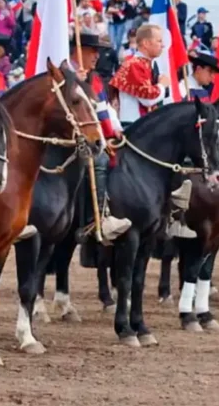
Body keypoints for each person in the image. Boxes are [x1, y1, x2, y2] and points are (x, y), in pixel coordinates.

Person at [110, 23, 194, 236]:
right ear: (145, 43)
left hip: (147, 126)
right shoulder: (133, 65)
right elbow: (147, 98)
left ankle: (174, 214)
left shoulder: (147, 65)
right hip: (133, 126)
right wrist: (164, 86)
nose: (162, 45)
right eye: (158, 41)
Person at [68, 32, 131, 242]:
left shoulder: (94, 77)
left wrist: (115, 130)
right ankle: (97, 218)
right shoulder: (65, 72)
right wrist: (77, 81)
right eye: (92, 51)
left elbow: (105, 109)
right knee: (100, 160)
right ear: (78, 50)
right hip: (71, 134)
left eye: (98, 52)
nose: (96, 56)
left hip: (95, 132)